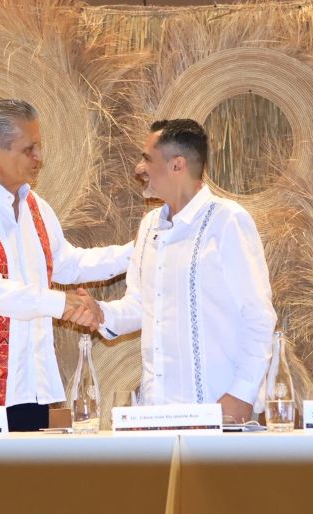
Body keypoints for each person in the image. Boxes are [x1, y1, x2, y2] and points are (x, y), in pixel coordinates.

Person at [0, 99, 132, 431]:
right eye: (29, 149)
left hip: (29, 387)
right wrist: (59, 303)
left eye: (38, 147)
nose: (39, 157)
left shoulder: (35, 206)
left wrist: (139, 252)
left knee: (28, 468)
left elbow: (66, 264)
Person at [71, 119, 277, 424]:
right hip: (157, 412)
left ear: (177, 165)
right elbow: (141, 305)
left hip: (220, 409)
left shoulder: (227, 220)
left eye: (147, 159)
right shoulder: (149, 225)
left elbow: (258, 315)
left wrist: (242, 394)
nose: (139, 168)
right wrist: (101, 314)